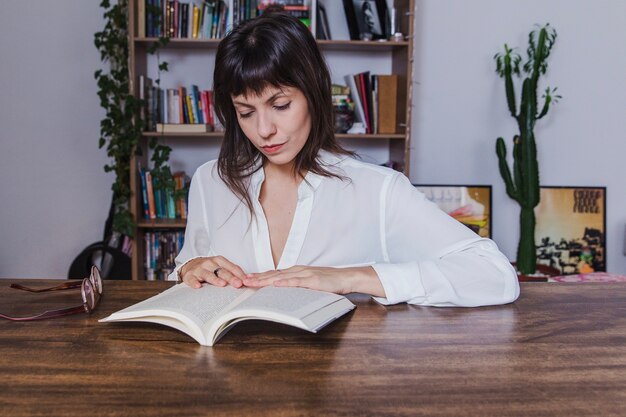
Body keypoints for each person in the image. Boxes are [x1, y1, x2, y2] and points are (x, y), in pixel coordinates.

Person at [169, 12, 520, 307]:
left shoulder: (377, 190)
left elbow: (495, 275)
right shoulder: (210, 181)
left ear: (313, 92)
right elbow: (192, 266)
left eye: (280, 106)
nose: (264, 130)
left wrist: (350, 277)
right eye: (246, 112)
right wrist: (189, 270)